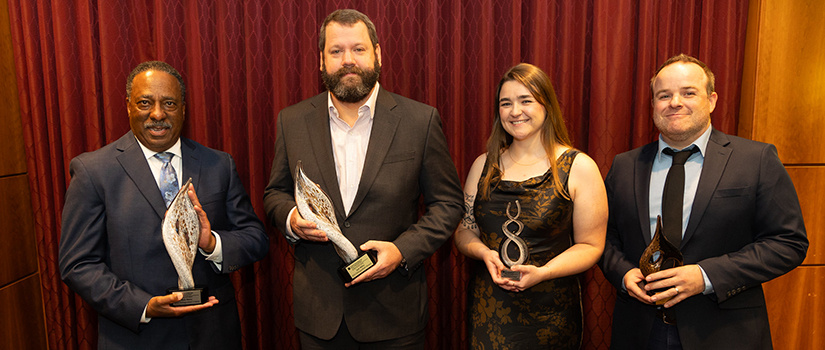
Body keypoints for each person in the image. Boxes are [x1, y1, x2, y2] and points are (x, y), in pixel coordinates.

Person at [262, 9, 463, 349]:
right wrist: (292, 219)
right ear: (321, 61)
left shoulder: (420, 120)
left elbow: (448, 204)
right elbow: (275, 195)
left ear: (378, 54)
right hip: (320, 317)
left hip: (394, 315)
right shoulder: (292, 121)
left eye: (358, 49)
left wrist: (402, 250)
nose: (348, 60)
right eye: (336, 51)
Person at [598, 54, 808, 349]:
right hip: (640, 330)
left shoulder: (756, 160)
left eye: (688, 92)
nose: (674, 102)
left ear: (711, 100)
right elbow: (603, 238)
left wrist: (705, 275)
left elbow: (788, 243)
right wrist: (623, 273)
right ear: (653, 105)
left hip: (725, 333)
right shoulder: (625, 166)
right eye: (664, 95)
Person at [58, 61, 270, 349]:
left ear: (183, 108)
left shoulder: (219, 164)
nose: (157, 114)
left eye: (169, 103)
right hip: (136, 337)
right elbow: (78, 264)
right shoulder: (94, 171)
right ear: (129, 106)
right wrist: (144, 305)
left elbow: (256, 238)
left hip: (212, 334)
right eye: (145, 102)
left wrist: (212, 244)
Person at [454, 63, 607, 349]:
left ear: (546, 105)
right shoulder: (482, 165)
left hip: (552, 314)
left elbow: (591, 246)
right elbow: (465, 231)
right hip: (490, 309)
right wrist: (484, 252)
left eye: (526, 100)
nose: (515, 111)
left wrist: (544, 272)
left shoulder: (579, 167)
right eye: (506, 103)